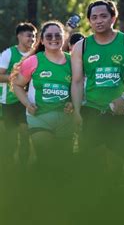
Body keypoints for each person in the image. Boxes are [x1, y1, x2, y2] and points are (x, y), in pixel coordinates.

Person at [71, 0, 124, 186]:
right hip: (91, 111)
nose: (98, 21)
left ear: (113, 17)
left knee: (116, 167)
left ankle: (113, 201)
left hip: (118, 114)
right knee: (91, 166)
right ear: (89, 21)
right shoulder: (82, 47)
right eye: (94, 17)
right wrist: (77, 111)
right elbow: (77, 81)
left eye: (103, 16)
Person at [11, 21, 74, 178]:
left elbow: (78, 87)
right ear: (43, 40)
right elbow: (17, 85)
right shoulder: (33, 61)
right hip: (39, 118)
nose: (54, 38)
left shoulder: (73, 62)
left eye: (57, 35)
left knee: (64, 162)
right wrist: (27, 103)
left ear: (64, 37)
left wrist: (72, 102)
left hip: (66, 119)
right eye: (49, 36)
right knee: (47, 157)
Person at [0, 22, 37, 169]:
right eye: (29, 35)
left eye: (34, 36)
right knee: (10, 137)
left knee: (25, 135)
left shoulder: (36, 55)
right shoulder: (8, 53)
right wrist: (18, 78)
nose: (32, 39)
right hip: (9, 101)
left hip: (26, 101)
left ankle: (23, 167)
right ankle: (9, 168)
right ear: (19, 36)